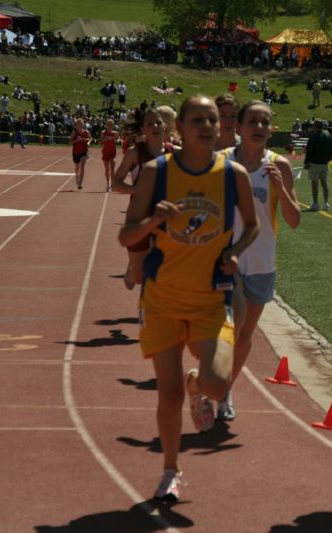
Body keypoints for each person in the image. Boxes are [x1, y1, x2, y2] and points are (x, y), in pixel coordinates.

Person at [118, 95, 258, 502]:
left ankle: (199, 384)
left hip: (210, 300)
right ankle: (170, 470)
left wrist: (234, 252)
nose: (207, 126)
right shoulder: (153, 172)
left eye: (212, 120)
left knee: (216, 384)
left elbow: (250, 227)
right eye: (197, 119)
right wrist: (154, 220)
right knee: (169, 393)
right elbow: (126, 236)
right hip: (161, 299)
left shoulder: (234, 176)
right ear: (179, 126)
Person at [218, 100, 301, 421]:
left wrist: (282, 188)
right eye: (252, 121)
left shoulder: (278, 166)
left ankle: (224, 389)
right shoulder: (221, 161)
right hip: (226, 260)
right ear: (239, 127)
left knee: (244, 336)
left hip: (262, 262)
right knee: (230, 329)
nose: (259, 128)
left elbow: (294, 221)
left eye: (265, 123)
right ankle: (214, 380)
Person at [112, 107, 167, 289]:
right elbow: (116, 183)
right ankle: (131, 269)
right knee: (138, 277)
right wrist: (139, 190)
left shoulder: (174, 152)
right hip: (138, 216)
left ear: (164, 126)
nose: (155, 126)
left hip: (164, 217)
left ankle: (152, 311)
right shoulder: (136, 153)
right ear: (143, 129)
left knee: (160, 271)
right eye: (150, 124)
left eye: (158, 122)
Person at [303, 120, 332, 211]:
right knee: (324, 182)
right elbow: (331, 149)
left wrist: (306, 162)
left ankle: (315, 203)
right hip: (325, 163)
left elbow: (309, 150)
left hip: (315, 163)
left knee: (314, 183)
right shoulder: (328, 135)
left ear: (316, 126)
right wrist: (328, 160)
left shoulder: (314, 136)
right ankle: (326, 203)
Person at [70, 118, 91, 190]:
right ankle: (76, 175)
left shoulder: (86, 132)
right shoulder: (74, 133)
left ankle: (80, 183)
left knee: (82, 167)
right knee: (77, 168)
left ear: (83, 124)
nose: (80, 125)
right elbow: (70, 143)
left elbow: (90, 138)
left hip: (84, 151)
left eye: (81, 124)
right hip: (76, 152)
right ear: (76, 125)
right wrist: (76, 140)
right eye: (79, 124)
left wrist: (86, 141)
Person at [99, 118, 119, 192]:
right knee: (107, 170)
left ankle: (112, 185)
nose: (110, 126)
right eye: (108, 125)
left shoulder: (115, 133)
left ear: (113, 126)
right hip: (105, 152)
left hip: (112, 152)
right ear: (106, 125)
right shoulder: (103, 133)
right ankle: (108, 185)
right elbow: (99, 142)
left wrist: (116, 140)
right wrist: (104, 140)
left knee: (112, 169)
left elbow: (119, 140)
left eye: (111, 125)